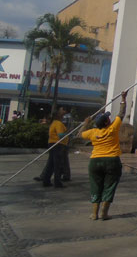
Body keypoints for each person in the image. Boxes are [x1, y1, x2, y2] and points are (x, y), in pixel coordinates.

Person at [79, 91, 128, 221]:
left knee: (95, 186)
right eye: (108, 118)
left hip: (95, 161)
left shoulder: (92, 132)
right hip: (112, 161)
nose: (110, 118)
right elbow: (121, 113)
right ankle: (103, 213)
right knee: (109, 186)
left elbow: (80, 134)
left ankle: (94, 213)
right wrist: (123, 98)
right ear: (107, 122)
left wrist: (86, 122)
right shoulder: (112, 129)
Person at [34, 107, 68, 188]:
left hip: (53, 144)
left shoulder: (54, 123)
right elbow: (60, 135)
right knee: (57, 164)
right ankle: (57, 182)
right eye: (61, 115)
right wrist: (68, 133)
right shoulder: (58, 124)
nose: (63, 116)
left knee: (51, 164)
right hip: (57, 144)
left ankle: (46, 180)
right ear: (58, 116)